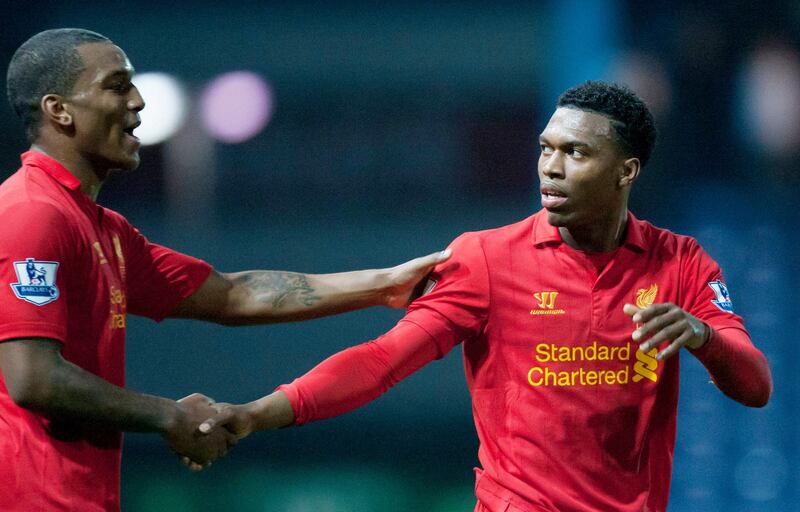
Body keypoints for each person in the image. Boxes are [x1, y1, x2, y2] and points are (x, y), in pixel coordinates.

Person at [200, 81, 773, 511]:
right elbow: (381, 361)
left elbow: (754, 386)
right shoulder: (487, 260)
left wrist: (703, 337)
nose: (550, 167)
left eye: (576, 153)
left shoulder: (681, 261)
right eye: (546, 148)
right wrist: (257, 414)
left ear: (626, 171)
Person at [0, 28, 450, 512]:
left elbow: (233, 294)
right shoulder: (31, 214)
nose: (138, 102)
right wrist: (169, 417)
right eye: (116, 86)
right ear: (58, 109)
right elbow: (34, 378)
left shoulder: (102, 228)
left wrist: (385, 285)